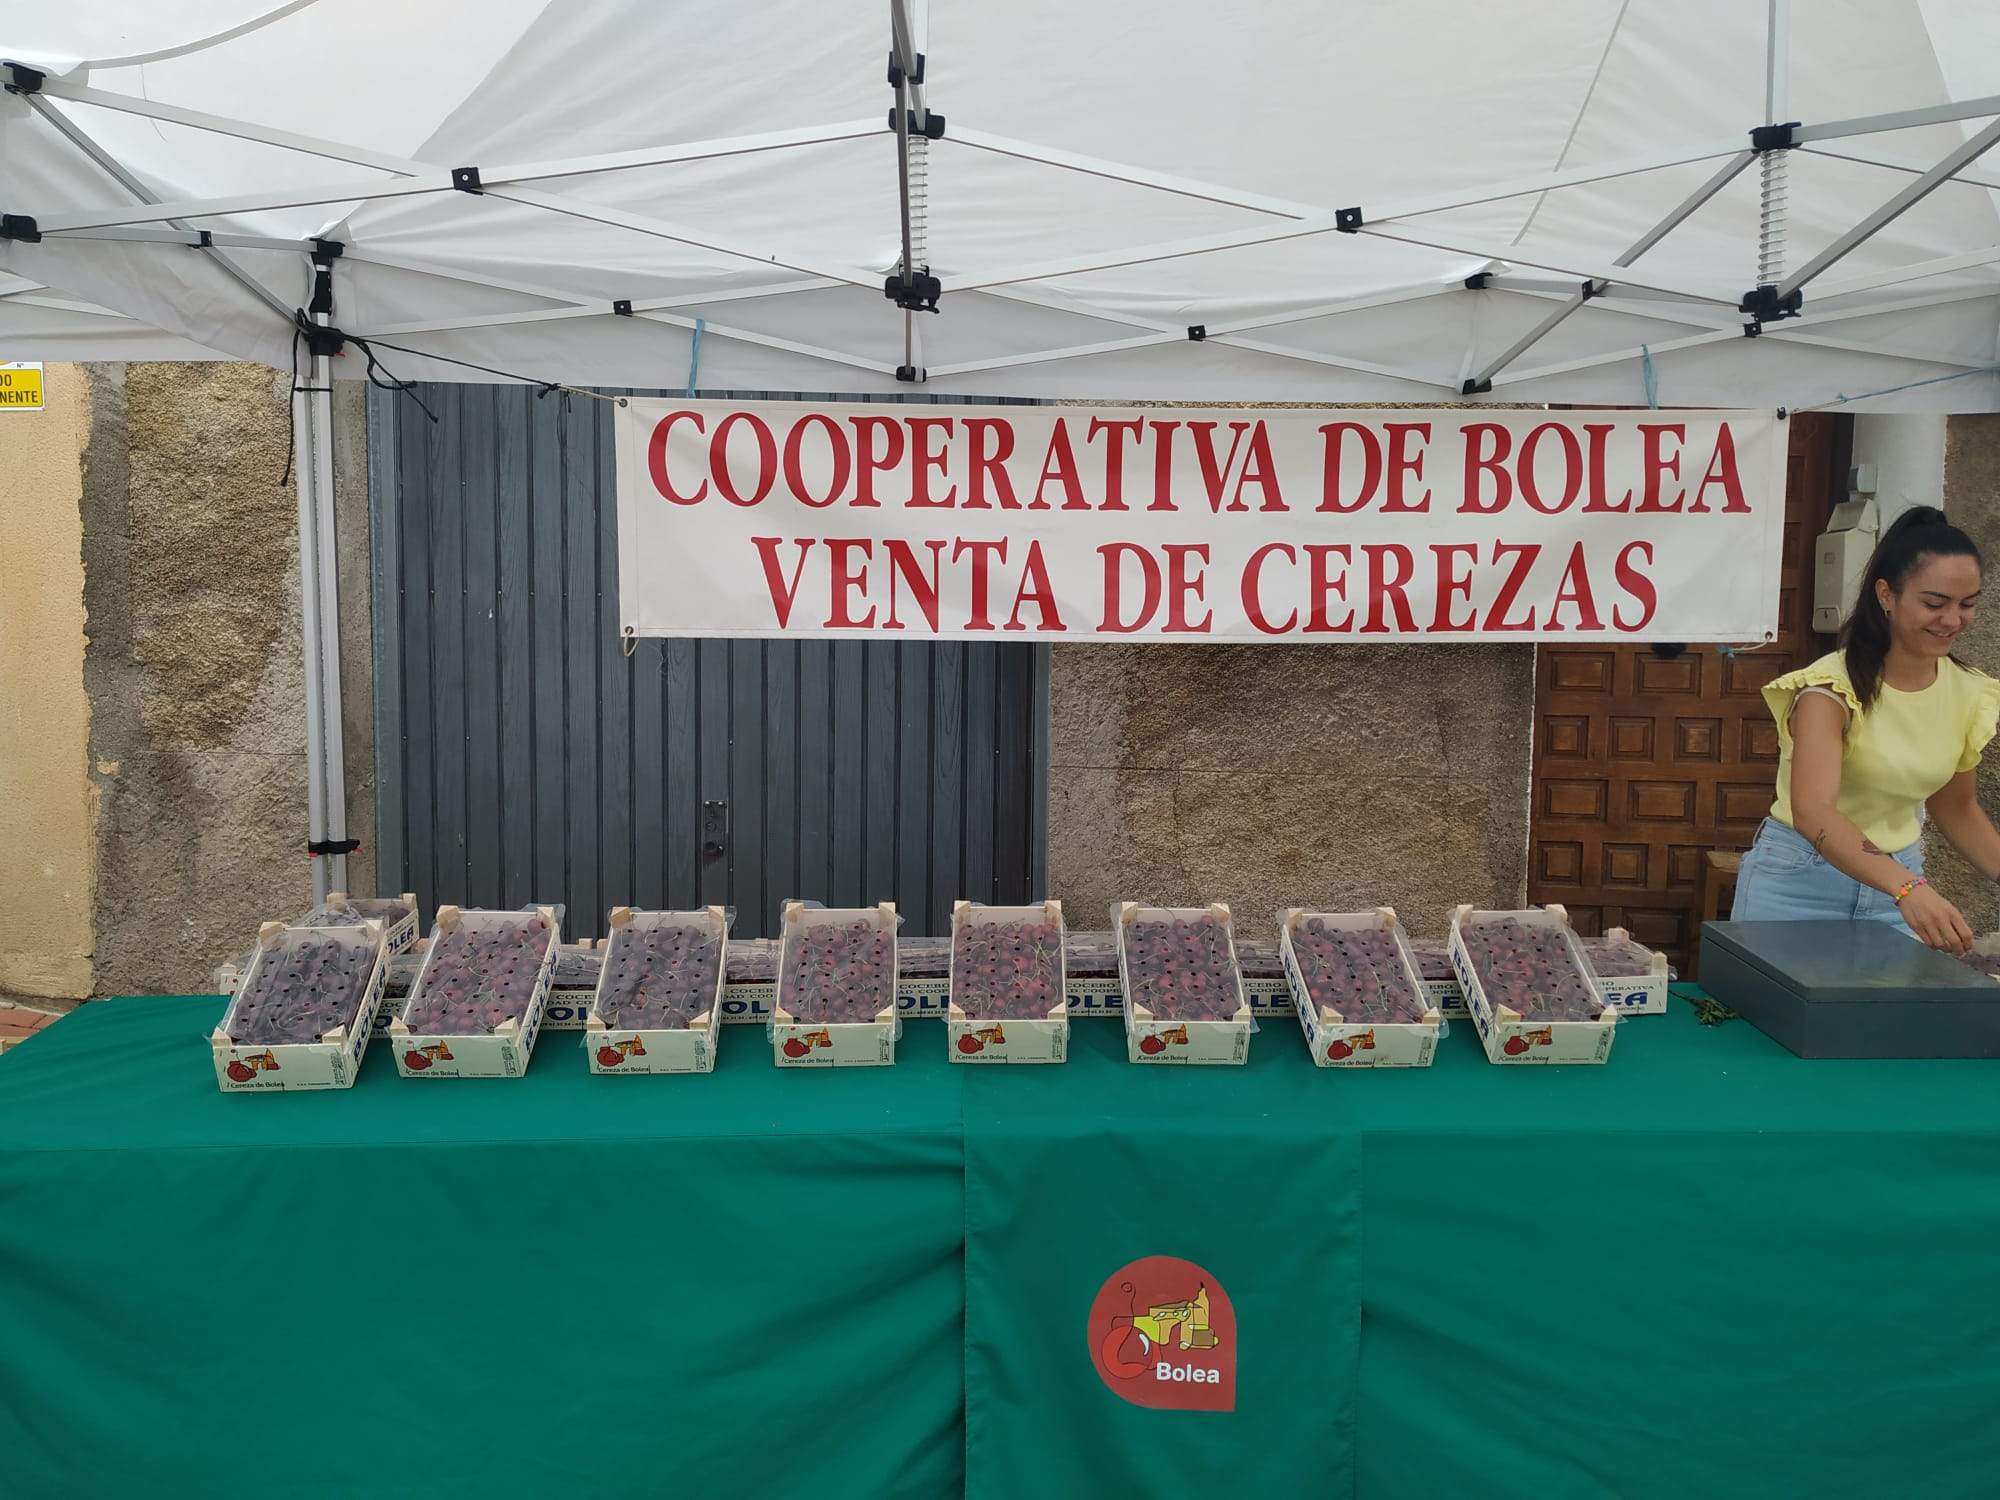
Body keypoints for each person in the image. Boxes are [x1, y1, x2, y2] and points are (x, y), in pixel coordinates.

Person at [1731, 505, 2000, 955]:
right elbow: (1814, 810)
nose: (1952, 620)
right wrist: (1908, 889)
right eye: (1934, 603)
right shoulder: (1829, 688)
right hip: (1799, 884)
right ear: (1886, 595)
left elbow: (1956, 806)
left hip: (1897, 888)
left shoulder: (1969, 692)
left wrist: (1906, 888)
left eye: (1967, 604)